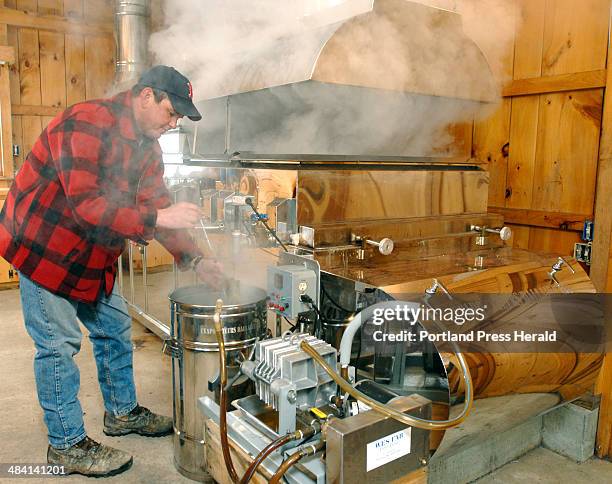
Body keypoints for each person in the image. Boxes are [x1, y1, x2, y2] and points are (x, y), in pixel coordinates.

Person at [0, 65, 223, 477]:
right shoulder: (85, 123)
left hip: (92, 253)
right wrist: (159, 217)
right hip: (43, 247)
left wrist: (195, 259)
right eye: (172, 113)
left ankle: (121, 414)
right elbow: (87, 206)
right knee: (58, 345)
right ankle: (65, 445)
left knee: (116, 328)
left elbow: (158, 204)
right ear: (145, 96)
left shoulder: (148, 149)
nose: (173, 124)